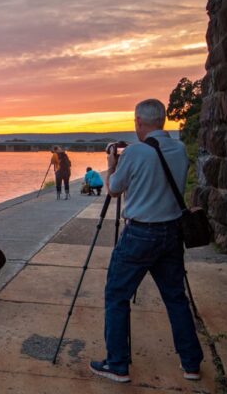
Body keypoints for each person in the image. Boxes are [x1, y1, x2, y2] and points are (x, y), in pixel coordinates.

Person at [89, 99, 203, 383]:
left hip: (140, 234)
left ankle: (117, 365)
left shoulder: (136, 152)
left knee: (117, 296)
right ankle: (191, 364)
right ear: (162, 121)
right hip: (172, 232)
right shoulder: (179, 150)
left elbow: (114, 190)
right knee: (176, 298)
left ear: (139, 121)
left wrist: (112, 163)